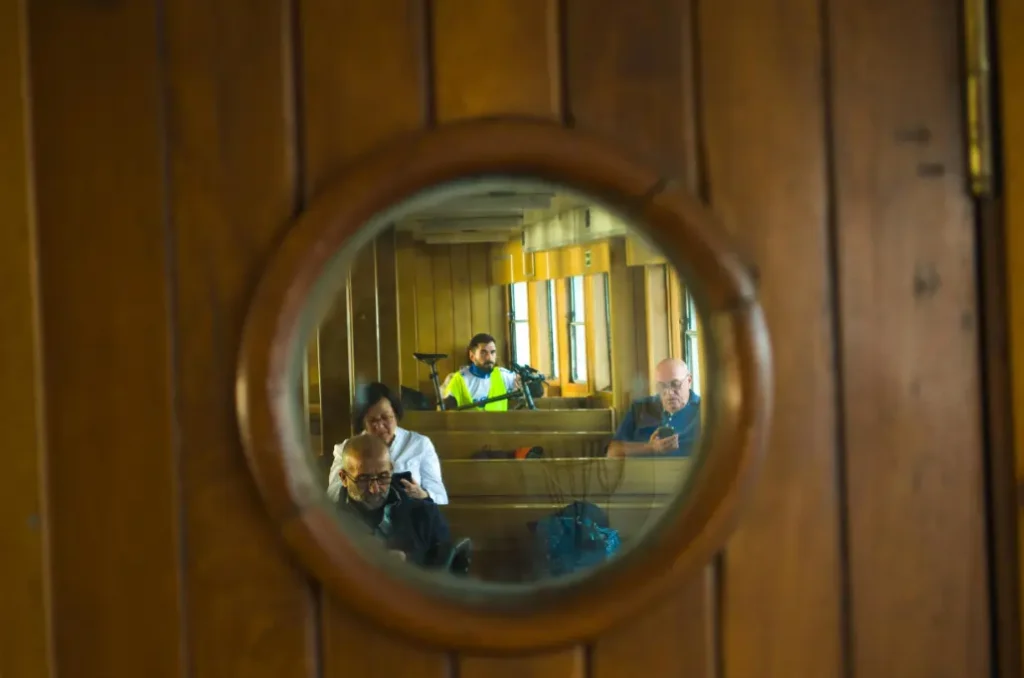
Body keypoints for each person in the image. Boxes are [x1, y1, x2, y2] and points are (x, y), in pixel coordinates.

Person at [333, 433, 453, 567]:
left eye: (383, 477)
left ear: (391, 469)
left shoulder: (424, 513)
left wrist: (409, 561)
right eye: (363, 479)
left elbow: (447, 568)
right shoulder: (326, 522)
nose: (375, 489)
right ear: (343, 478)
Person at [327, 382, 448, 504]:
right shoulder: (346, 449)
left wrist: (423, 495)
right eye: (372, 420)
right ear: (363, 422)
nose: (379, 426)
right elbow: (332, 495)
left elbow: (441, 497)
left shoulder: (420, 444)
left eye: (385, 418)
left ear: (396, 415)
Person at [606, 358, 701, 458]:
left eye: (675, 384)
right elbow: (612, 453)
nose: (669, 392)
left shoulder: (704, 410)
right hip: (644, 473)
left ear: (689, 381)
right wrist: (650, 447)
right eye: (662, 386)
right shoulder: (640, 408)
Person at [440, 332, 520, 411]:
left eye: (492, 352)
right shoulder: (459, 379)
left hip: (499, 424)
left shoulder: (503, 375)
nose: (489, 357)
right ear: (472, 356)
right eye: (483, 353)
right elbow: (445, 412)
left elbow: (526, 384)